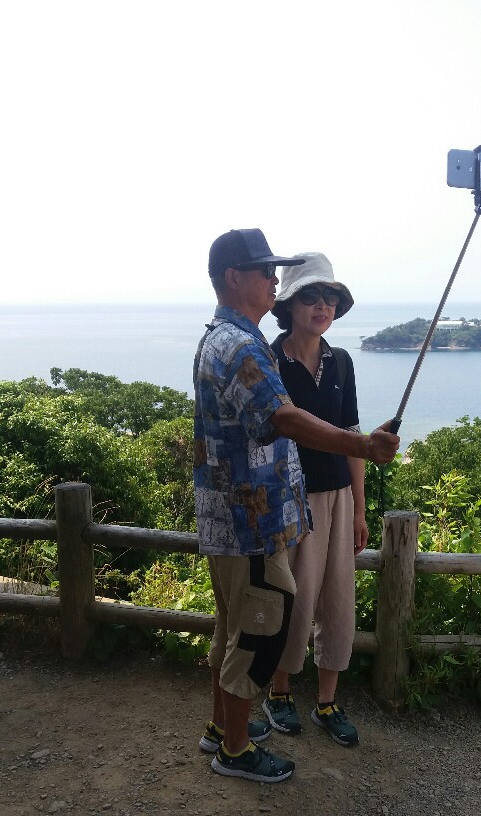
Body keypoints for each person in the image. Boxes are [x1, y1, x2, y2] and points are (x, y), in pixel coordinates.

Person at [194, 228, 400, 785]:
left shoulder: (225, 337)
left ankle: (220, 726)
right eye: (265, 271)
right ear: (234, 277)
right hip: (251, 520)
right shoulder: (242, 347)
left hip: (232, 517)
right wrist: (361, 445)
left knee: (234, 628)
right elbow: (282, 417)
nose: (273, 280)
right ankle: (236, 750)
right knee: (258, 631)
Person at [262, 254, 367, 746]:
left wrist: (359, 509)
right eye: (310, 296)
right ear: (288, 304)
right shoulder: (269, 361)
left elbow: (353, 438)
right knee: (294, 598)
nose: (322, 305)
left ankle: (327, 701)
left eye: (329, 297)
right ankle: (279, 691)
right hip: (289, 499)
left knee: (338, 600)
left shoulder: (341, 361)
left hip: (338, 498)